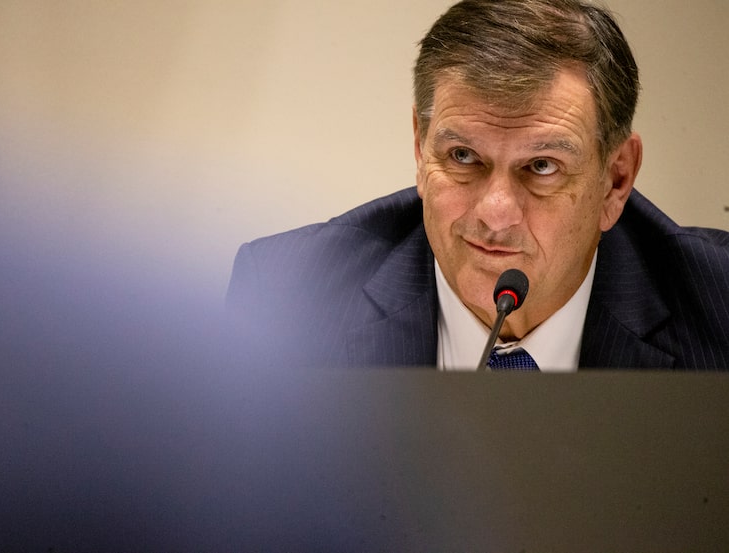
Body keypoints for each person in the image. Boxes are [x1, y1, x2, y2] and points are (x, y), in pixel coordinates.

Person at [226, 0, 729, 371]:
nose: (495, 211)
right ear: (422, 150)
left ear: (616, 180)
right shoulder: (287, 298)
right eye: (463, 157)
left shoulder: (717, 306)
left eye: (542, 166)